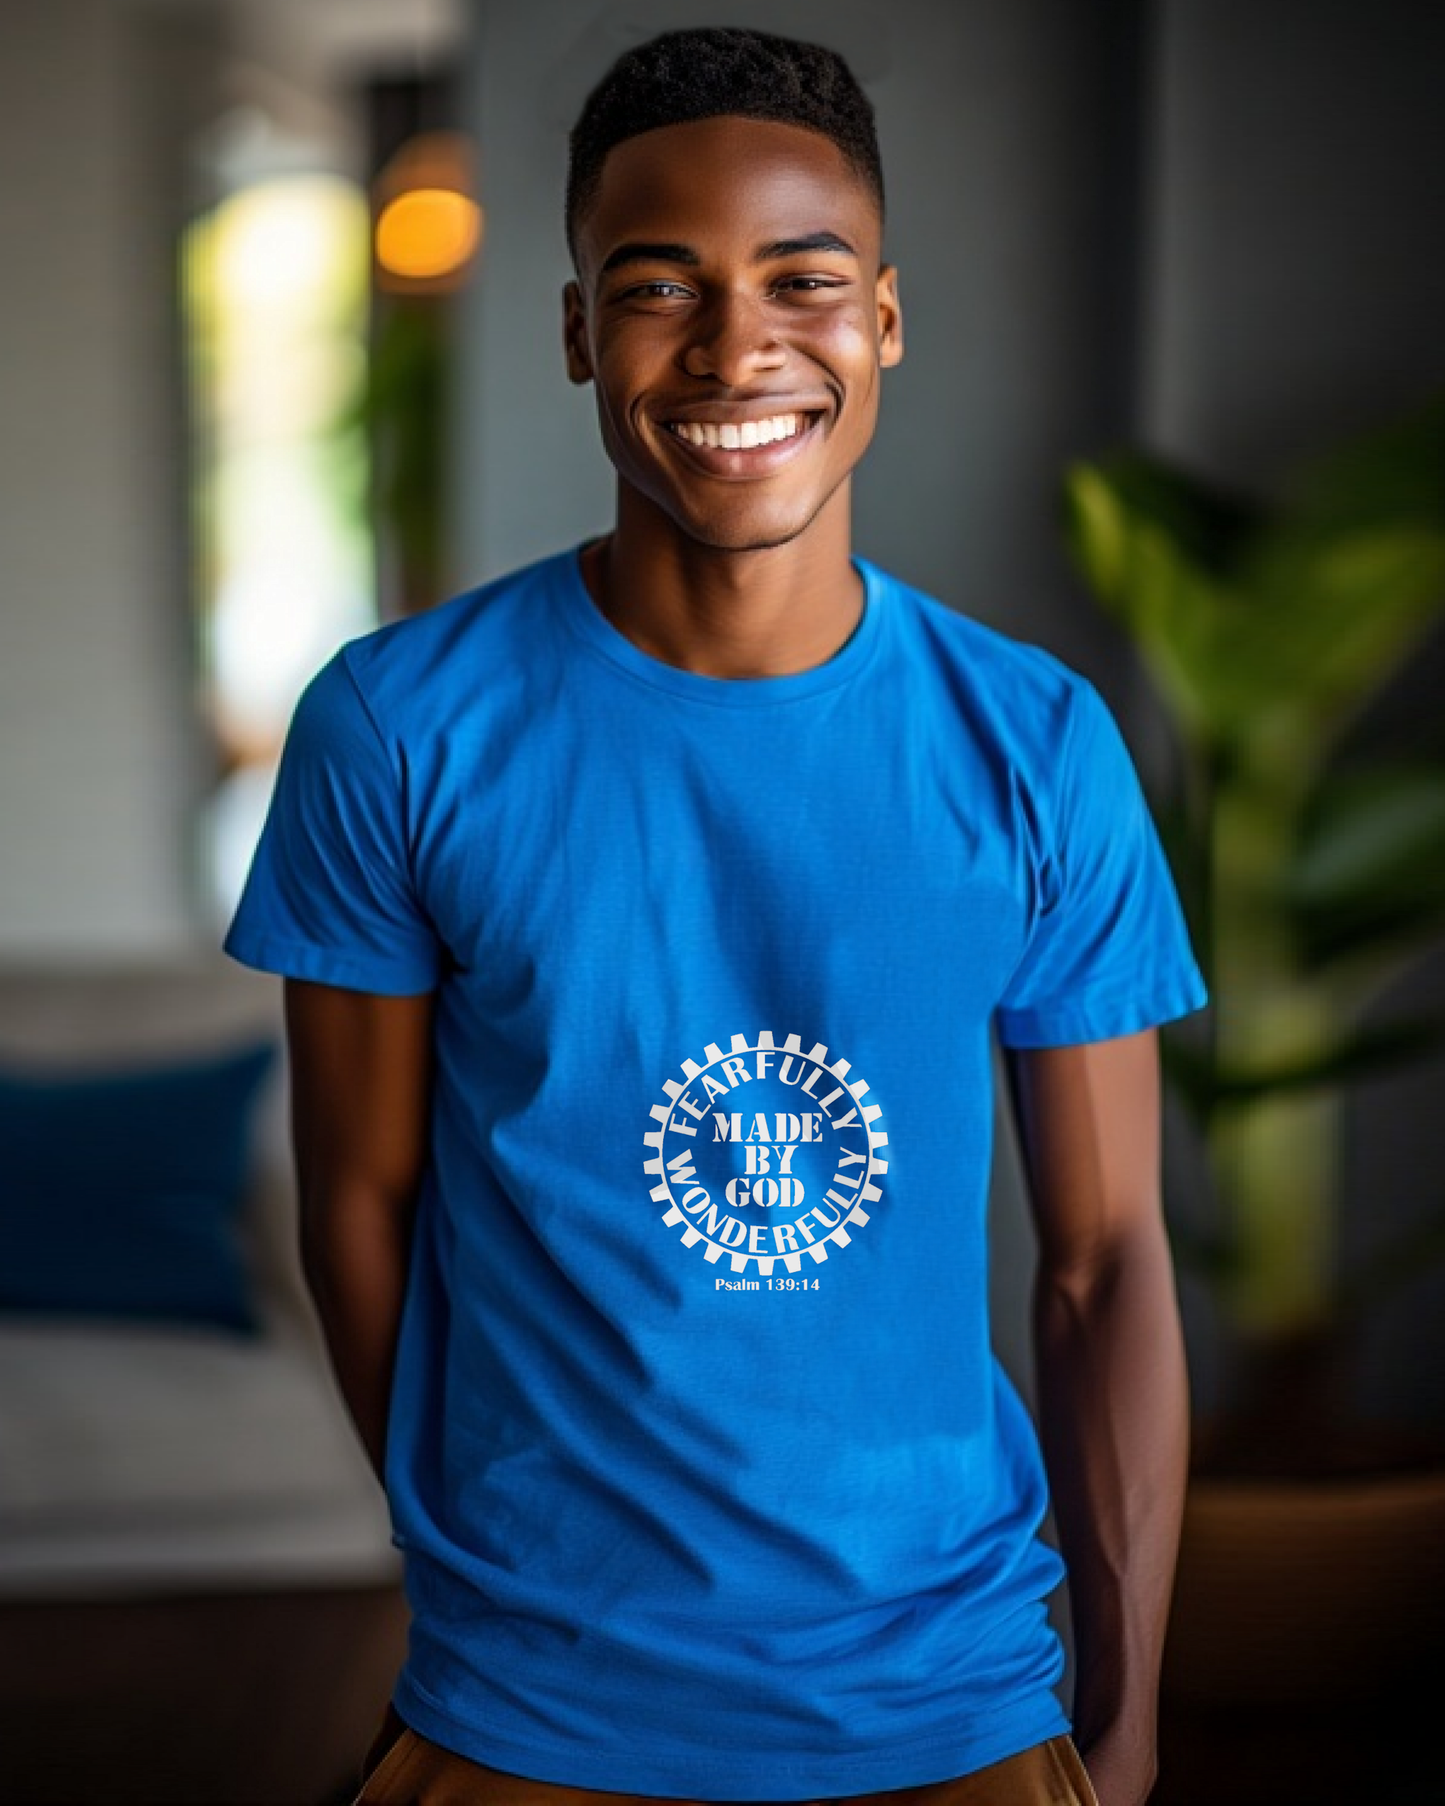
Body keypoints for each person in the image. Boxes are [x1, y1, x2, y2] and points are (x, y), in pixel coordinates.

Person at [225, 27, 1205, 1806]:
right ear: (580, 331)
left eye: (802, 282)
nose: (738, 344)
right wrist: (487, 1561)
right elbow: (356, 1207)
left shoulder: (1037, 745)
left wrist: (1124, 1719)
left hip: (955, 1696)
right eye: (659, 286)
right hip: (522, 1705)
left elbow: (1104, 1260)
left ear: (884, 322)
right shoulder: (395, 728)